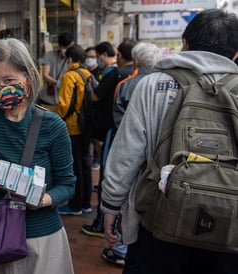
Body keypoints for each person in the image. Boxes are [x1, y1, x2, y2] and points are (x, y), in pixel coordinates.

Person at [101, 9, 238, 274]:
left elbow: (126, 154)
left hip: (157, 223)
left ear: (185, 44)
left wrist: (110, 205)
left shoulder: (153, 84)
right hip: (229, 229)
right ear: (235, 54)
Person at [0, 38, 76, 273]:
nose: (1, 87)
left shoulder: (52, 125)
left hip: (40, 236)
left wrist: (41, 199)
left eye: (9, 80)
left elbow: (68, 184)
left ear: (28, 78)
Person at [101, 42, 162, 266]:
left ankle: (121, 246)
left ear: (136, 60)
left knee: (128, 195)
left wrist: (110, 206)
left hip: (128, 147)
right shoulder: (172, 85)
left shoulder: (127, 85)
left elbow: (119, 119)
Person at [82, 39, 136, 237]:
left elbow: (95, 97)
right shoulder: (141, 76)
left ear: (119, 55)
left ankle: (101, 224)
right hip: (134, 135)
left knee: (109, 177)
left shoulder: (115, 74)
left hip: (113, 131)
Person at [55, 44, 93, 215]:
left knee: (75, 167)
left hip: (73, 127)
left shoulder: (69, 77)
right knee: (85, 165)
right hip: (86, 126)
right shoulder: (87, 74)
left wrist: (53, 114)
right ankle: (86, 203)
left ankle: (75, 205)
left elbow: (64, 106)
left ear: (69, 59)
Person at [38, 32, 75, 111]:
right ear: (60, 46)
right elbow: (45, 75)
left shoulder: (72, 59)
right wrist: (58, 83)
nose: (68, 50)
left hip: (64, 99)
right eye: (66, 48)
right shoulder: (49, 55)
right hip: (48, 98)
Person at [85, 46, 103, 171]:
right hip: (86, 111)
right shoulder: (84, 71)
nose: (89, 59)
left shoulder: (101, 72)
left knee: (96, 139)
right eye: (87, 57)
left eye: (92, 57)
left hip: (96, 111)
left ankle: (96, 160)